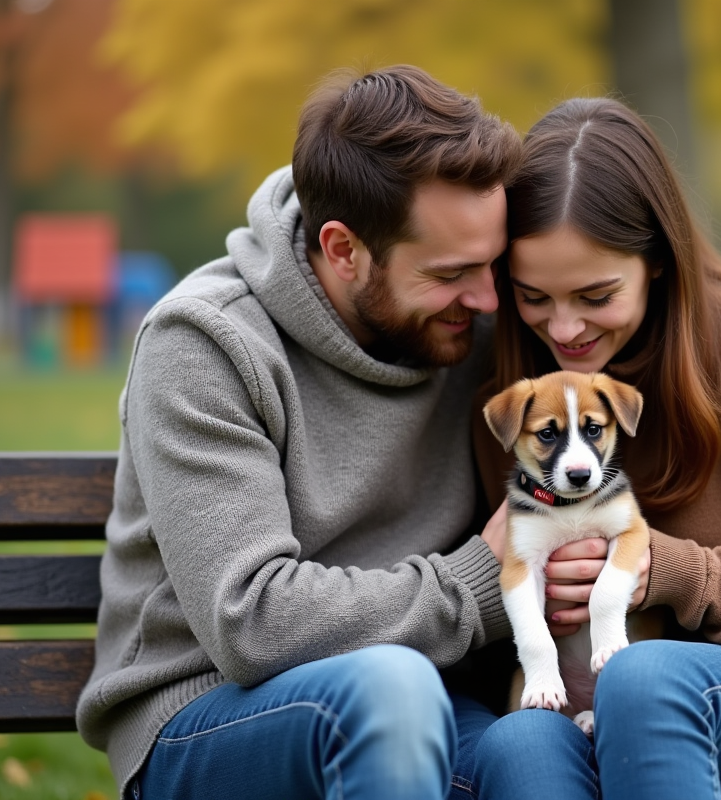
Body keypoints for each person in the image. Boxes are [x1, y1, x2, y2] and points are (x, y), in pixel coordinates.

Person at [76, 65, 526, 800]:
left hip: (432, 700)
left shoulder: (472, 326)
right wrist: (478, 582)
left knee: (537, 754)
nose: (484, 300)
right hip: (208, 715)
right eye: (452, 273)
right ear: (343, 249)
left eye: (493, 265)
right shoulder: (206, 343)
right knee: (392, 691)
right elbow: (251, 621)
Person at [465, 97, 721, 800]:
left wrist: (670, 571)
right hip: (568, 700)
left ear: (657, 259)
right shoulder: (510, 389)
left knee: (643, 679)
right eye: (533, 296)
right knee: (522, 744)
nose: (562, 327)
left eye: (596, 294)